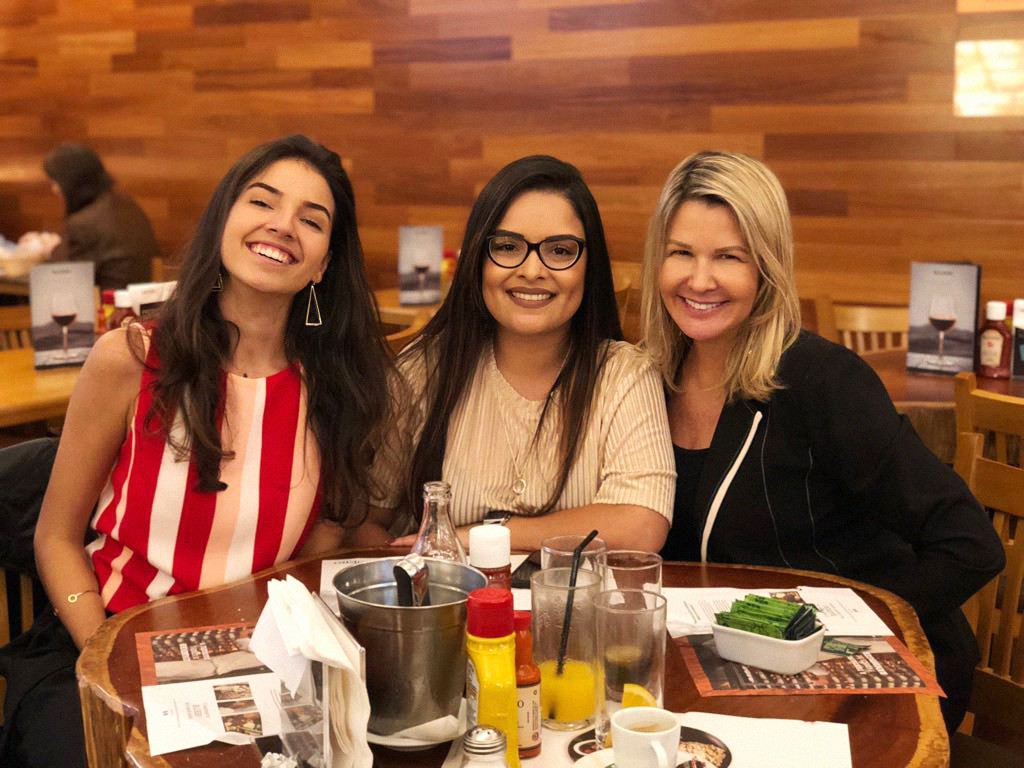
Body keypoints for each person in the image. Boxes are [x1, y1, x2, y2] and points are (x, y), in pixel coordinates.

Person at [0, 135, 393, 767]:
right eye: (261, 201)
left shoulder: (339, 386)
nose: (282, 225)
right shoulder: (130, 360)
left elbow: (325, 537)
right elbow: (56, 537)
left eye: (311, 219)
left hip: (253, 661)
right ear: (224, 222)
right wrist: (105, 652)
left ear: (323, 262)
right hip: (103, 637)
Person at [641, 150, 1004, 731]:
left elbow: (969, 543)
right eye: (681, 252)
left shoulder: (822, 380)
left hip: (858, 683)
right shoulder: (644, 382)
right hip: (722, 679)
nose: (699, 279)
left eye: (728, 257)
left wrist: (832, 631)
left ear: (767, 268)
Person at [378, 155, 675, 553]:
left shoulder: (624, 374)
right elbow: (366, 520)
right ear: (477, 261)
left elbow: (640, 526)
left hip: (573, 613)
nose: (532, 270)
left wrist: (472, 537)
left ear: (590, 266)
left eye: (559, 251)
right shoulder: (423, 370)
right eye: (506, 246)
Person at [43, 142, 159, 289]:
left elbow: (58, 279)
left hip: (111, 306)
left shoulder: (84, 223)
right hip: (142, 300)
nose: (55, 190)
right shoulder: (126, 204)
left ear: (70, 182)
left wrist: (49, 250)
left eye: (55, 183)